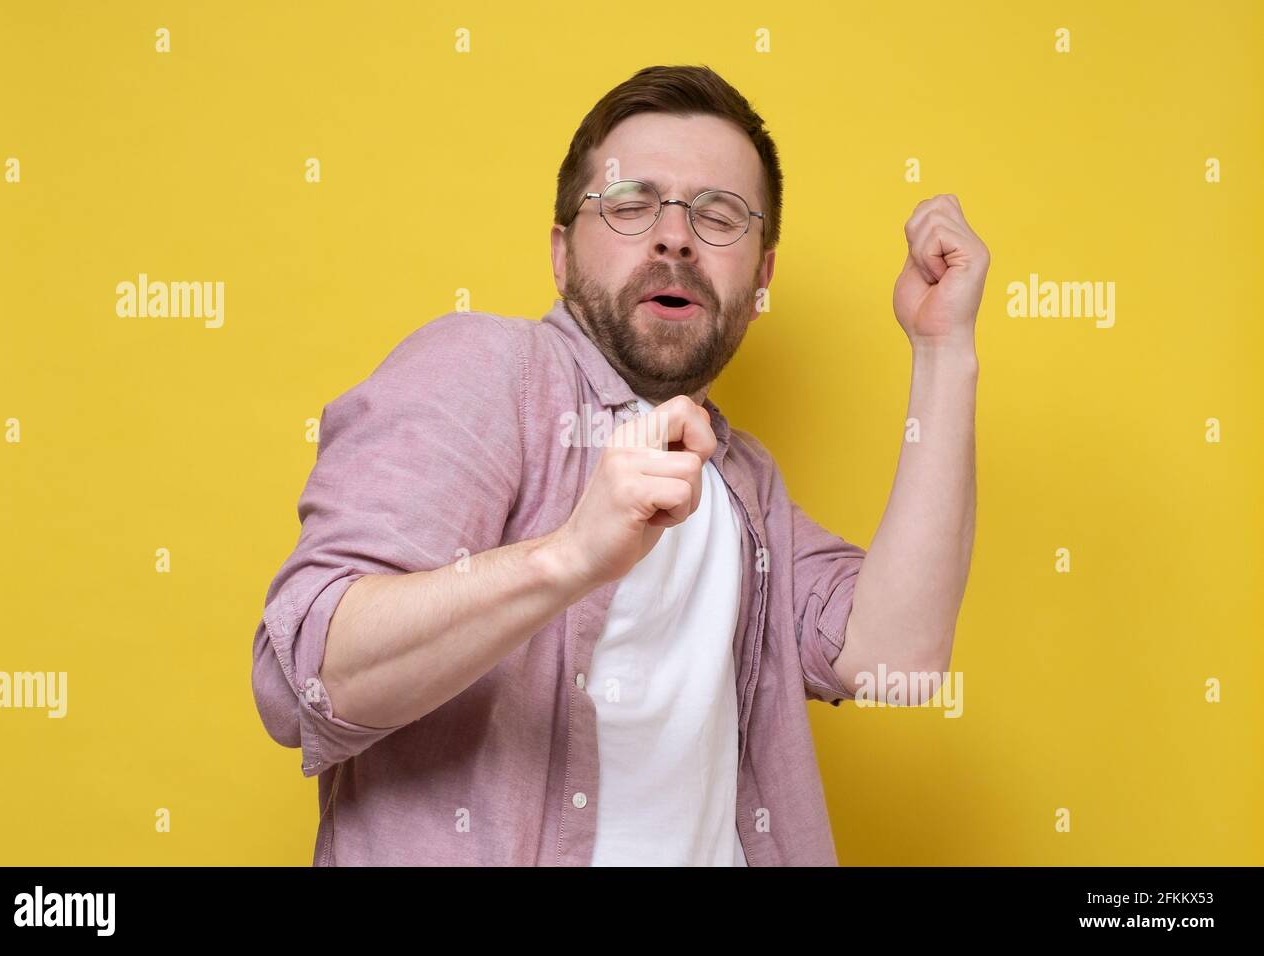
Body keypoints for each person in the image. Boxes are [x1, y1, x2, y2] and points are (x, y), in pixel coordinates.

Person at [251, 63, 987, 866]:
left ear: (762, 276)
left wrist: (942, 348)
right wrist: (569, 556)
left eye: (719, 215)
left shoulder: (744, 484)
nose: (675, 236)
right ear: (562, 254)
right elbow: (303, 683)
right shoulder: (488, 371)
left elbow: (896, 660)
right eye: (632, 204)